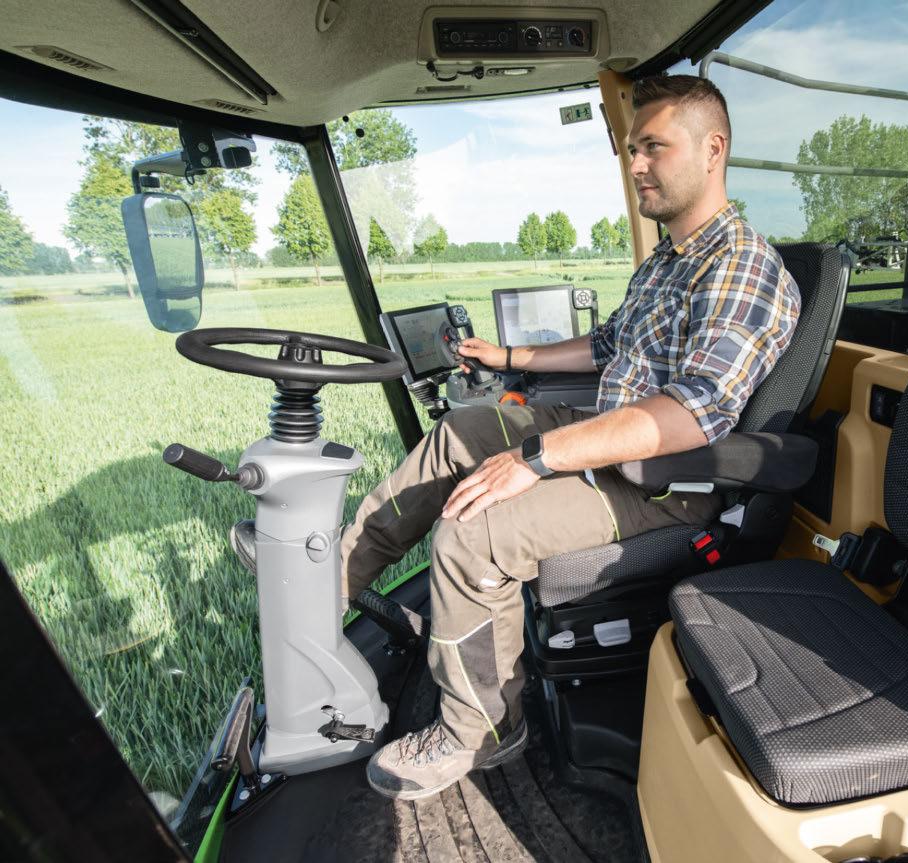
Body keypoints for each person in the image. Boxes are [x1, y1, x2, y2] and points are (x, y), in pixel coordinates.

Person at [234, 74, 801, 801]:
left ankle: (484, 729)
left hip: (664, 480)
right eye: (631, 149)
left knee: (472, 533)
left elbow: (692, 414)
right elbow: (606, 345)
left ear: (713, 149)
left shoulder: (743, 266)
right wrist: (504, 357)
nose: (634, 165)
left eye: (652, 148)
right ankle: (333, 583)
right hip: (607, 436)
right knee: (459, 434)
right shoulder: (668, 260)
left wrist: (536, 458)